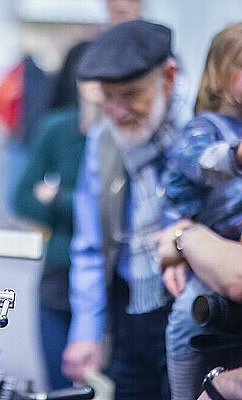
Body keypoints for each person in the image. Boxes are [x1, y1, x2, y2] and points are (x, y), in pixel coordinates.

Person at [60, 20, 191, 400]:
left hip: (189, 315)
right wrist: (86, 329)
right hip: (129, 310)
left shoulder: (202, 132)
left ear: (168, 77)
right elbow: (89, 243)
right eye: (107, 96)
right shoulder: (104, 138)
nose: (117, 112)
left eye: (131, 94)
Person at [157, 23, 242, 400]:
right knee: (189, 312)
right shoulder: (204, 128)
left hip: (231, 251)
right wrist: (236, 155)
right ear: (220, 77)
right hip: (207, 245)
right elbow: (203, 163)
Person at [13, 41, 103, 390]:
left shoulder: (119, 135)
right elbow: (22, 199)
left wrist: (59, 201)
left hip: (105, 285)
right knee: (59, 386)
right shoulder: (56, 128)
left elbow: (110, 217)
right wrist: (82, 208)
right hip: (58, 275)